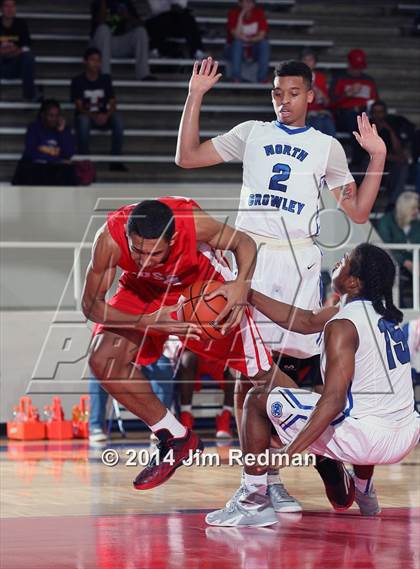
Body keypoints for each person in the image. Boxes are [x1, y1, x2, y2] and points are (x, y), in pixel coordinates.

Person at [176, 57, 386, 511]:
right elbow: (187, 157)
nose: (283, 101)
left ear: (310, 95)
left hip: (299, 261)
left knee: (293, 372)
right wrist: (195, 95)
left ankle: (309, 457)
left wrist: (379, 156)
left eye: (292, 93)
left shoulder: (326, 146)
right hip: (251, 257)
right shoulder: (251, 132)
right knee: (247, 370)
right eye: (276, 92)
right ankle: (266, 478)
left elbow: (358, 212)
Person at [206, 243, 420, 526]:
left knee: (257, 398)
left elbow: (333, 401)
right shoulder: (386, 317)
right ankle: (364, 489)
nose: (338, 262)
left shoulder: (343, 324)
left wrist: (288, 453)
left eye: (345, 260)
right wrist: (248, 293)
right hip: (406, 435)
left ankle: (252, 501)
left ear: (354, 281)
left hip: (368, 440)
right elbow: (304, 321)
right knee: (367, 401)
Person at [82, 196, 277, 490]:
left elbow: (243, 242)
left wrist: (241, 284)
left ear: (173, 239)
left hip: (198, 287)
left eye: (155, 253)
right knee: (102, 360)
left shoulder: (192, 223)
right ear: (127, 236)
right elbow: (91, 306)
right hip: (142, 291)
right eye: (138, 251)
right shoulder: (109, 240)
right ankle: (175, 436)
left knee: (261, 373)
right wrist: (147, 320)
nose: (145, 260)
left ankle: (324, 445)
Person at [89, 353, 176, 443]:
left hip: (145, 356)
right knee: (99, 365)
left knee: (163, 365)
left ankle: (161, 426)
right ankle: (96, 426)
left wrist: (137, 359)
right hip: (117, 357)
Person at [71, 47, 126, 172]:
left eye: (98, 60)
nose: (96, 63)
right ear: (85, 62)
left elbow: (113, 103)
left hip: (104, 115)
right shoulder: (78, 81)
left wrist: (106, 115)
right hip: (87, 117)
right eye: (92, 60)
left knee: (118, 119)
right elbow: (79, 106)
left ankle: (115, 160)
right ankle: (85, 162)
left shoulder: (105, 79)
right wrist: (94, 116)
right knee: (83, 121)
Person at [12, 99, 77, 185]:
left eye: (57, 116)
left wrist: (61, 132)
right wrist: (55, 159)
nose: (54, 119)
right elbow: (31, 153)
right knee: (26, 168)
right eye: (51, 115)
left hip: (55, 169)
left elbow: (68, 153)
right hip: (38, 168)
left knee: (68, 170)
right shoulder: (34, 128)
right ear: (43, 115)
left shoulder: (64, 129)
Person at [177, 349, 235, 438]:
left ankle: (225, 418)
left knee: (235, 364)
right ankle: (185, 417)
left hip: (221, 353)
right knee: (187, 359)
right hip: (197, 351)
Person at [376, 191, 420, 308]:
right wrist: (405, 262)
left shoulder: (417, 223)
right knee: (395, 276)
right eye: (414, 208)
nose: (417, 212)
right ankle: (401, 309)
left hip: (415, 263)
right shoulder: (385, 222)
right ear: (404, 208)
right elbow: (386, 248)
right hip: (394, 262)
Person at [90, 0, 152, 81]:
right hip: (99, 44)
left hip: (118, 43)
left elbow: (141, 25)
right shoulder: (97, 3)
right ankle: (104, 75)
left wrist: (128, 17)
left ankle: (144, 74)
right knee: (103, 29)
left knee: (140, 31)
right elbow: (100, 22)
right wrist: (103, 3)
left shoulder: (126, 3)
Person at [370, 100, 412, 205]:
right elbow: (368, 154)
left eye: (380, 112)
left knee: (402, 166)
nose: (378, 115)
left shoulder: (392, 126)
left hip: (388, 167)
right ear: (371, 113)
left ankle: (393, 204)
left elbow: (399, 152)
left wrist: (390, 131)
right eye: (375, 112)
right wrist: (388, 157)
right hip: (370, 166)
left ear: (385, 113)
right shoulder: (365, 126)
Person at [225, 0, 270, 83]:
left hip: (252, 49)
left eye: (250, 2)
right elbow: (236, 35)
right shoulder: (233, 13)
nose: (248, 4)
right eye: (245, 2)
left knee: (264, 43)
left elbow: (262, 35)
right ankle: (236, 77)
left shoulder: (259, 13)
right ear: (240, 3)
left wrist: (249, 40)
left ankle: (262, 78)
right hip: (235, 50)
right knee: (237, 43)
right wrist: (241, 17)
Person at [0, 0, 36, 100]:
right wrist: (12, 50)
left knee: (28, 57)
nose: (10, 9)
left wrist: (8, 52)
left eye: (12, 6)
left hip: (15, 67)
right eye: (6, 6)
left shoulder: (21, 24)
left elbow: (26, 47)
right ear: (1, 8)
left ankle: (29, 96)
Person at [301, 48, 335, 137]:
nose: (308, 63)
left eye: (310, 60)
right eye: (305, 60)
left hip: (321, 112)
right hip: (306, 114)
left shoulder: (320, 77)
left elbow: (327, 102)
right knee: (317, 123)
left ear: (315, 63)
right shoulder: (297, 78)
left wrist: (321, 95)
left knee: (329, 126)